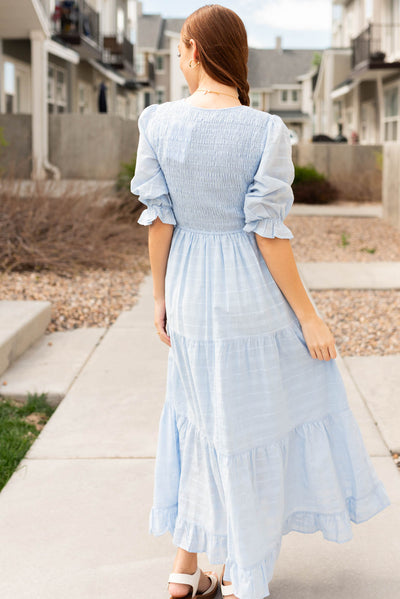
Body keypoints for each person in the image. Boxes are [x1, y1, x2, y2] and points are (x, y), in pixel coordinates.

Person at [130, 5, 391, 599]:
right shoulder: (266, 130)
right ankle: (241, 572)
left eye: (179, 48)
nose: (177, 57)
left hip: (192, 292)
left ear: (196, 49)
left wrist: (161, 297)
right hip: (249, 295)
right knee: (251, 424)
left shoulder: (157, 122)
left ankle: (184, 568)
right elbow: (267, 232)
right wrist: (308, 316)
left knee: (200, 419)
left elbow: (158, 221)